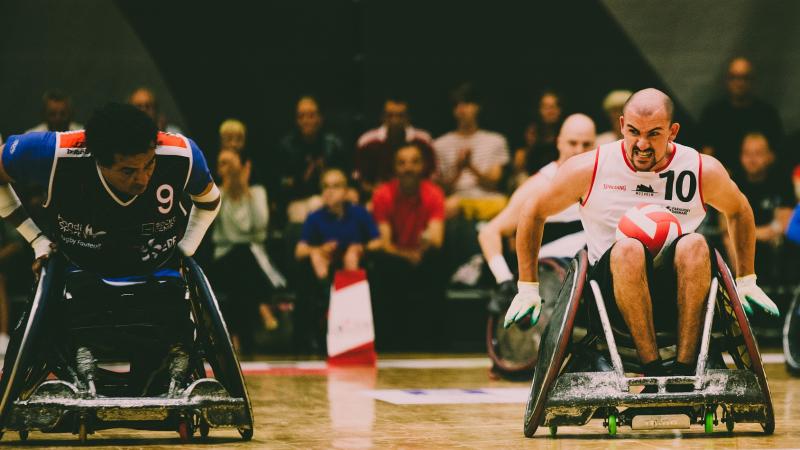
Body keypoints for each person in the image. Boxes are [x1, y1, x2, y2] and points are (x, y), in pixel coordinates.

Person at [506, 88, 779, 386]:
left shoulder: (701, 169)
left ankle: (685, 370)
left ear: (673, 132)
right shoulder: (590, 167)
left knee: (695, 243)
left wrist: (747, 279)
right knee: (629, 249)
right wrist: (527, 287)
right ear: (621, 125)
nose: (642, 144)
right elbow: (532, 211)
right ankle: (653, 371)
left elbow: (739, 210)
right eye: (634, 132)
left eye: (654, 134)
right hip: (609, 296)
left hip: (679, 289)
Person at [0, 102, 220, 395]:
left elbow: (210, 201)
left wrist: (187, 248)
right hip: (81, 268)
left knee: (164, 347)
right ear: (98, 160)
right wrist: (36, 239)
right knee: (71, 311)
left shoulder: (181, 153)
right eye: (127, 170)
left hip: (155, 269)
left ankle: (160, 371)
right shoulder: (52, 152)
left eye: (149, 165)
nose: (142, 178)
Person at [479, 114, 596, 301]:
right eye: (572, 143)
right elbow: (489, 232)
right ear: (559, 143)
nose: (579, 150)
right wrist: (504, 279)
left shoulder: (602, 178)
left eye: (586, 144)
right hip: (553, 276)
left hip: (592, 271)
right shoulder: (539, 184)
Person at [294, 168, 381, 352]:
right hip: (325, 269)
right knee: (316, 257)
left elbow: (378, 242)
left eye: (335, 186)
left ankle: (353, 322)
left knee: (352, 256)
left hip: (354, 266)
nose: (329, 191)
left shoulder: (359, 213)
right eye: (325, 186)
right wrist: (319, 249)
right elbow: (300, 250)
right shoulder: (315, 217)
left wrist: (360, 248)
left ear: (346, 191)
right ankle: (328, 312)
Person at [371, 143, 445, 350]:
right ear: (395, 168)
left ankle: (433, 345)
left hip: (423, 258)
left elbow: (436, 239)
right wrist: (407, 255)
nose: (408, 168)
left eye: (414, 162)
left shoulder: (433, 194)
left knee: (437, 260)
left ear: (423, 166)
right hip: (396, 260)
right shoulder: (383, 195)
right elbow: (385, 244)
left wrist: (419, 250)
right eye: (402, 163)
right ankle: (387, 345)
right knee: (382, 263)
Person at [212, 148, 284, 354]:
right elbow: (210, 225)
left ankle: (235, 336)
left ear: (244, 167)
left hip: (253, 257)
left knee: (242, 264)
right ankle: (261, 307)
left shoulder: (258, 192)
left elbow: (260, 226)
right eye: (222, 164)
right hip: (223, 257)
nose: (226, 169)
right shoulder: (216, 194)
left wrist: (244, 189)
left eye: (230, 164)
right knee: (239, 259)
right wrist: (224, 191)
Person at [724, 132, 796, 285]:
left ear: (770, 156)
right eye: (747, 153)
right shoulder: (732, 182)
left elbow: (784, 225)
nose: (752, 159)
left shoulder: (781, 181)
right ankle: (739, 289)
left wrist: (750, 234)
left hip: (772, 245)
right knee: (728, 240)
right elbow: (725, 226)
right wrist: (760, 233)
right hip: (740, 242)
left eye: (758, 153)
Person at [434, 84, 509, 220]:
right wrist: (458, 170)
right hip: (456, 200)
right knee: (443, 208)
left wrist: (470, 167)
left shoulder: (495, 140)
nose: (462, 109)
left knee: (508, 209)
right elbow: (440, 190)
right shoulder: (440, 144)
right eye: (457, 105)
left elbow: (493, 183)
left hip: (489, 200)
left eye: (467, 103)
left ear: (477, 107)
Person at [698, 57, 783, 172]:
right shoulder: (713, 114)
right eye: (734, 77)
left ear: (753, 81)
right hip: (722, 182)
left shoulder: (767, 115)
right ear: (727, 80)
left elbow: (777, 155)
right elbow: (705, 155)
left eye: (745, 78)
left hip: (758, 183)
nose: (739, 83)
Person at [276, 96, 349, 224]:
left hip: (331, 197)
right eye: (301, 116)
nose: (306, 121)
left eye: (311, 116)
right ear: (296, 120)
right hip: (298, 200)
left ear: (320, 119)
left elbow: (344, 177)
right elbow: (281, 185)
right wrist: (301, 179)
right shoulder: (286, 147)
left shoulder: (334, 144)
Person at [354, 95, 436, 197]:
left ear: (408, 117)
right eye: (390, 115)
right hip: (379, 198)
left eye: (400, 116)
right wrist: (383, 195)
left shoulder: (423, 140)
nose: (395, 120)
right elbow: (362, 181)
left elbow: (431, 177)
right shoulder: (367, 142)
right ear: (382, 117)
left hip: (418, 198)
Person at [512, 91, 564, 184]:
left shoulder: (566, 131)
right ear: (539, 110)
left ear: (559, 110)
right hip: (533, 179)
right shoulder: (531, 131)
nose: (550, 111)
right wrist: (529, 147)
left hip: (560, 177)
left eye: (553, 107)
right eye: (546, 107)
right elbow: (518, 166)